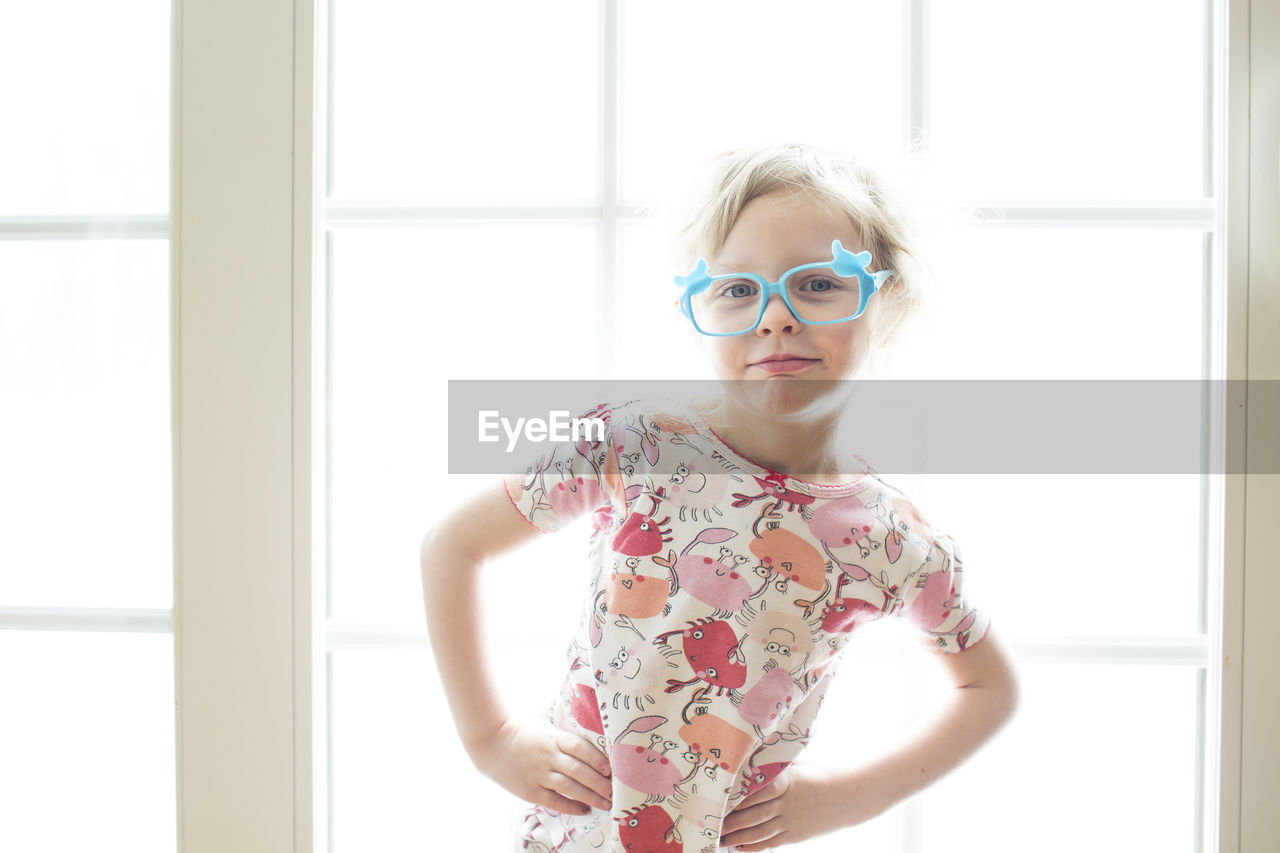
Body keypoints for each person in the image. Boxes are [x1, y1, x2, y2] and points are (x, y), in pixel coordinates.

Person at [421, 143, 1020, 853]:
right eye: (738, 290)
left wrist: (855, 796)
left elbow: (990, 688)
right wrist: (490, 736)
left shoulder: (889, 538)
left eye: (819, 283)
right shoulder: (634, 443)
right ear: (697, 308)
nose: (775, 317)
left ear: (882, 298)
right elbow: (453, 546)